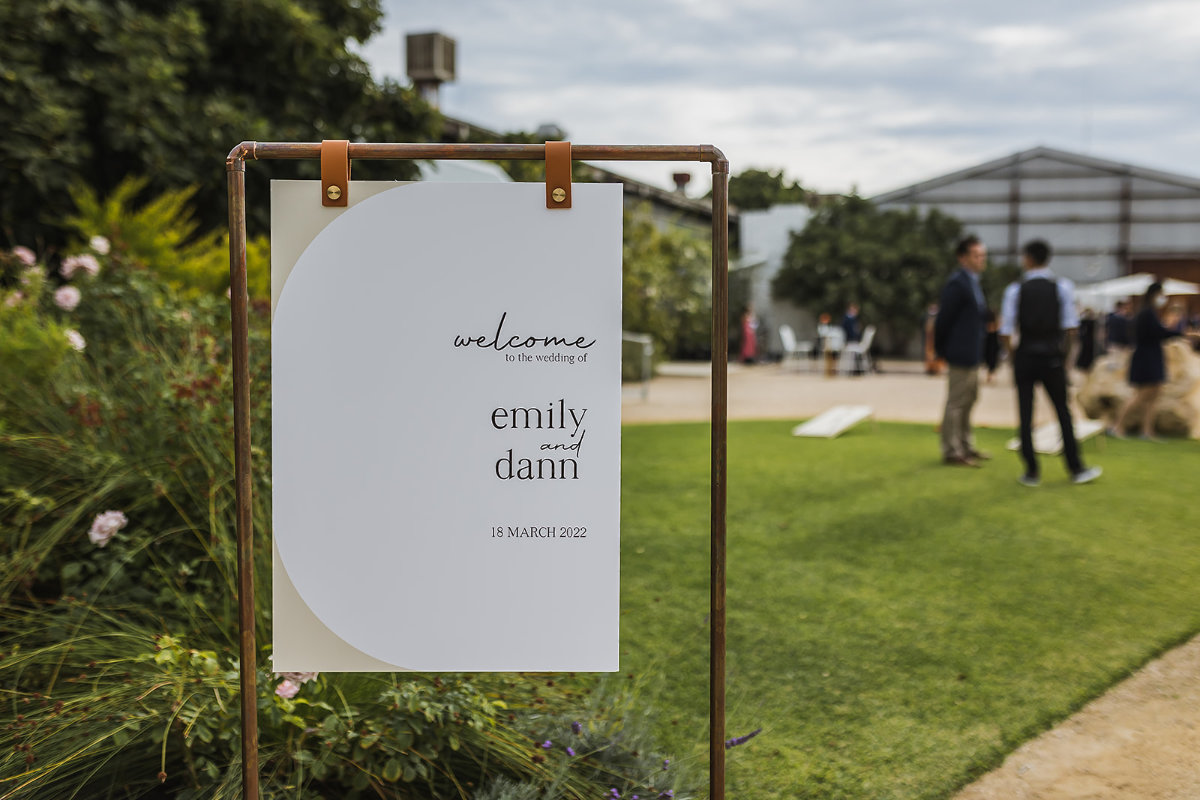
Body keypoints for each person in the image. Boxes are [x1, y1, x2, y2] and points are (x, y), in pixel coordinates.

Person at [999, 239, 1102, 487]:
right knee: (1063, 413)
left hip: (1025, 354)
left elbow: (1005, 331)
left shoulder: (1016, 289)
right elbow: (1071, 329)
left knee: (1025, 414)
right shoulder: (1062, 287)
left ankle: (1031, 471)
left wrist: (1013, 357)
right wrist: (1064, 359)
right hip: (1051, 356)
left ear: (1028, 258)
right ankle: (1075, 467)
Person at [1108, 283, 1192, 440]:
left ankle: (1147, 430)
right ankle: (1118, 426)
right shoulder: (1147, 313)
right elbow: (1158, 332)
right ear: (1155, 294)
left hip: (1150, 356)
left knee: (1153, 395)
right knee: (1141, 395)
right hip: (1147, 358)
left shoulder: (1147, 312)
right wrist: (1177, 333)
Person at [934, 235, 988, 467]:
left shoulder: (973, 282)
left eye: (982, 255)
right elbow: (944, 319)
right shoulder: (957, 283)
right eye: (976, 255)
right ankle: (951, 450)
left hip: (973, 353)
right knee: (956, 403)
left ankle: (966, 444)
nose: (981, 260)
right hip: (959, 353)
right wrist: (941, 349)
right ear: (963, 258)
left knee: (970, 399)